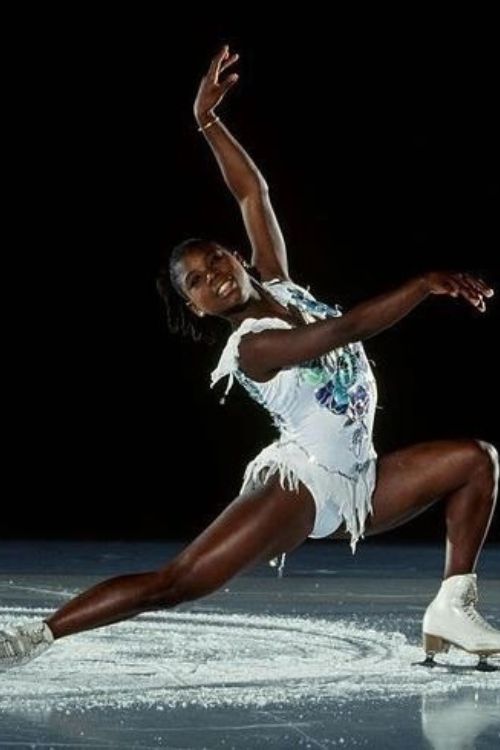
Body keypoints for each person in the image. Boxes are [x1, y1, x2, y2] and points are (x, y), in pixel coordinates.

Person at [1, 44, 499, 673]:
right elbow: (341, 331)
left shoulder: (280, 282)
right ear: (200, 309)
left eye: (215, 262)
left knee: (476, 461)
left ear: (237, 255)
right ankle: (30, 639)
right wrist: (424, 283)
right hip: (302, 485)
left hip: (361, 483)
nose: (213, 278)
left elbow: (251, 193)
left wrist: (207, 121)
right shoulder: (251, 348)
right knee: (176, 582)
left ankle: (452, 612)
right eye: (198, 284)